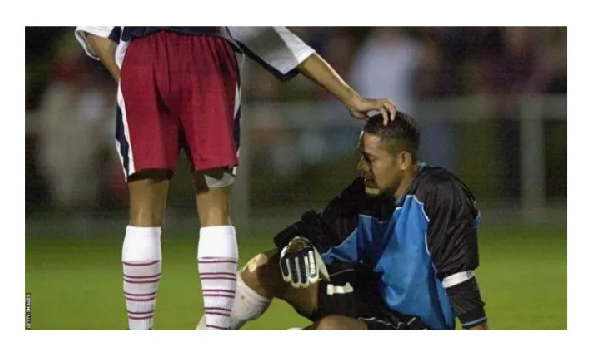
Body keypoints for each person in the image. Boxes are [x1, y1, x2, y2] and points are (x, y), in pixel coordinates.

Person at [74, 26, 397, 330]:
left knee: (143, 211)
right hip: (207, 55)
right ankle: (216, 332)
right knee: (215, 206)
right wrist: (350, 96)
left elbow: (95, 27)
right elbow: (269, 35)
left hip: (144, 55)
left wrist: (129, 75)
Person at [197, 112, 488, 330]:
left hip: (418, 327)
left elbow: (458, 277)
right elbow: (319, 232)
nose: (362, 166)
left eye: (370, 158)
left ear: (403, 160)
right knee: (265, 267)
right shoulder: (364, 194)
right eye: (362, 156)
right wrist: (297, 243)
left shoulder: (439, 194)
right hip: (371, 300)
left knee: (331, 332)